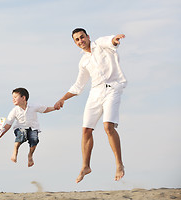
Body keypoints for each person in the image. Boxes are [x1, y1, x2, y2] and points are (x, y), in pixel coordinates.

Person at [54, 28, 127, 183]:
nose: (81, 41)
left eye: (82, 37)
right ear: (75, 43)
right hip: (95, 93)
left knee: (108, 126)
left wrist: (115, 39)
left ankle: (119, 164)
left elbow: (111, 41)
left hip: (112, 88)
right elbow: (78, 86)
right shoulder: (83, 62)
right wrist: (63, 99)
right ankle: (86, 166)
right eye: (77, 40)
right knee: (86, 130)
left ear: (88, 37)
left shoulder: (100, 44)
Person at [0, 88, 57, 167]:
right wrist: (1, 133)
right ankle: (15, 152)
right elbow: (8, 124)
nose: (13, 99)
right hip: (20, 128)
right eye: (12, 98)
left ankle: (30, 155)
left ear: (23, 98)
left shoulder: (34, 106)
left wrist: (55, 108)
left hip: (33, 128)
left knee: (34, 139)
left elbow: (45, 109)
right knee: (21, 134)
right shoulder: (14, 110)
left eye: (15, 97)